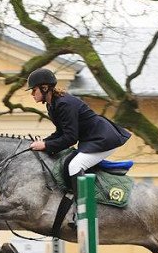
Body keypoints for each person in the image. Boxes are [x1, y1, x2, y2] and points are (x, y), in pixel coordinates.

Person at [27, 68, 131, 206]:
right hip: (91, 140)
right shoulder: (52, 105)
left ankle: (84, 209)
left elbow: (70, 138)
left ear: (45, 88)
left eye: (34, 90)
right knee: (67, 162)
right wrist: (44, 142)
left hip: (103, 139)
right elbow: (60, 133)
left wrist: (46, 145)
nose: (32, 94)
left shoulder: (64, 104)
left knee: (75, 166)